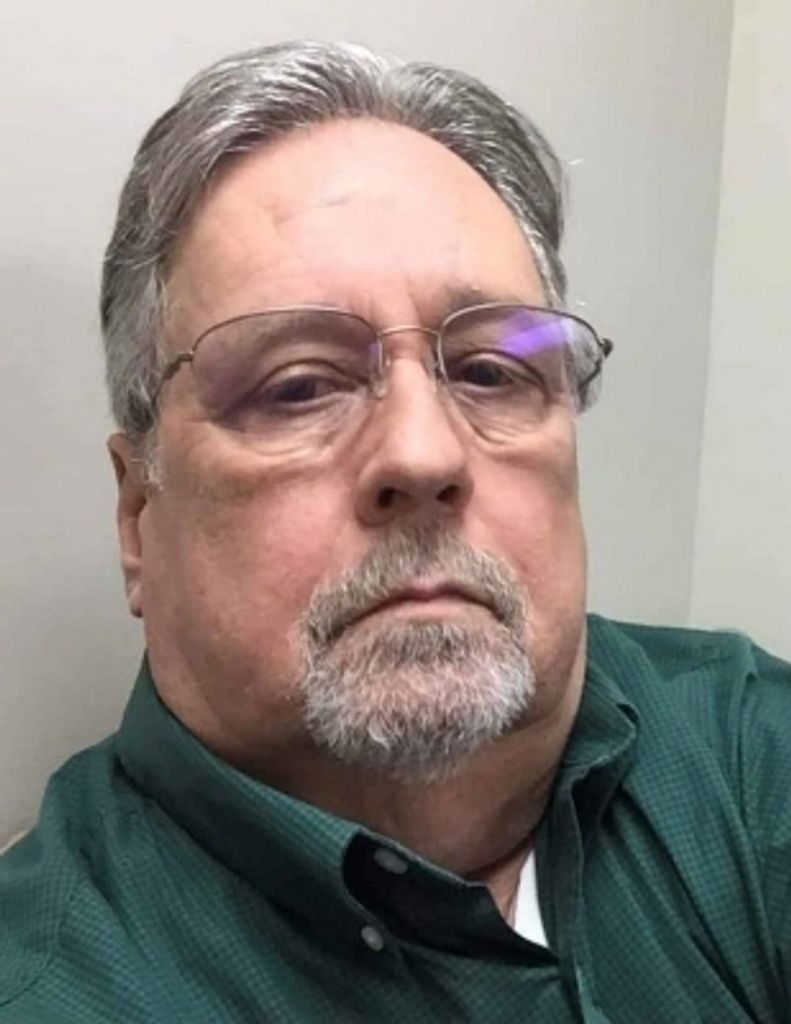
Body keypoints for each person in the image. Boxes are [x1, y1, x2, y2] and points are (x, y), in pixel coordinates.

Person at [0, 39, 788, 1024]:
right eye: (297, 385)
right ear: (137, 515)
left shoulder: (749, 754)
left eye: (490, 371)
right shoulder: (52, 987)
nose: (422, 452)